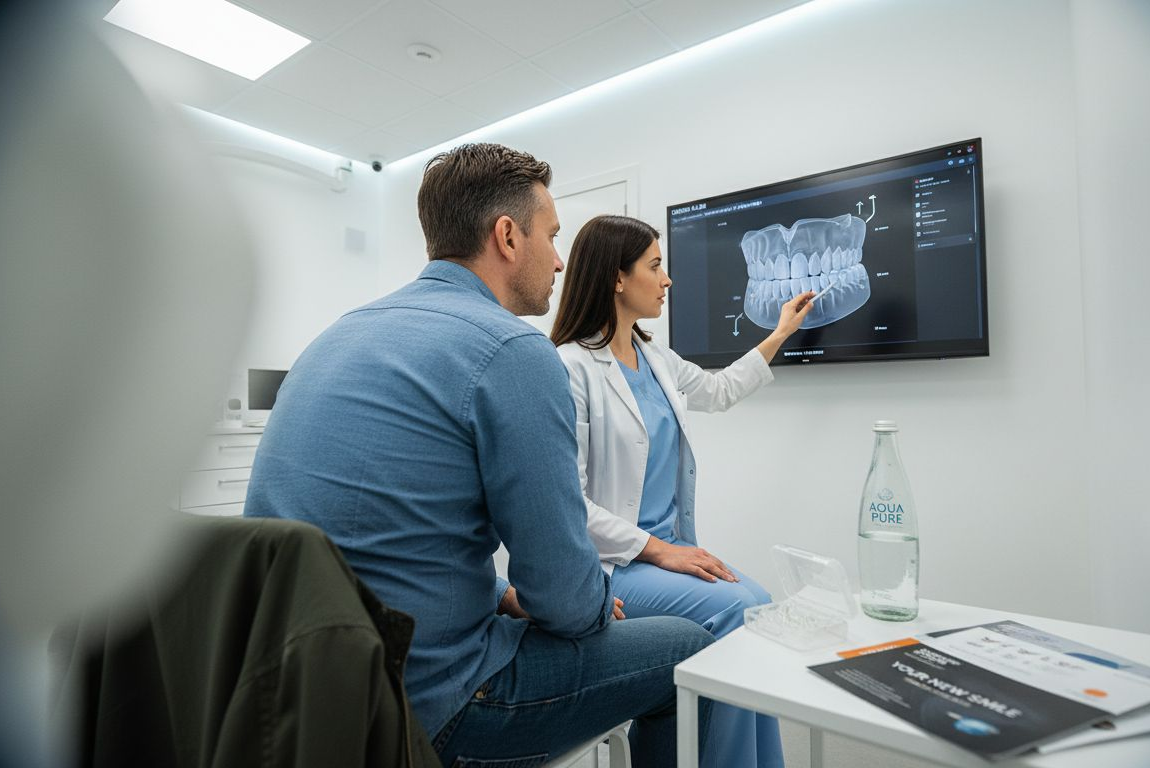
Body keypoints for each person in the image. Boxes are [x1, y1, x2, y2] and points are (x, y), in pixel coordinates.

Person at [244, 145, 714, 767]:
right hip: (435, 704)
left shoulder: (336, 336)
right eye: (551, 236)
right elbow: (564, 600)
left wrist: (496, 592)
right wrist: (596, 602)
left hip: (306, 693)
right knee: (690, 649)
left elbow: (374, 537)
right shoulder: (512, 351)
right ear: (507, 237)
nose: (560, 260)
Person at [550, 214, 814, 768]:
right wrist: (659, 550)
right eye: (655, 266)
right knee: (744, 609)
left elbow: (719, 390)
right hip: (617, 564)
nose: (667, 279)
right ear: (618, 278)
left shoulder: (656, 358)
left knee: (757, 614)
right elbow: (569, 502)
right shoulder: (569, 367)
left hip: (669, 555)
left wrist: (782, 332)